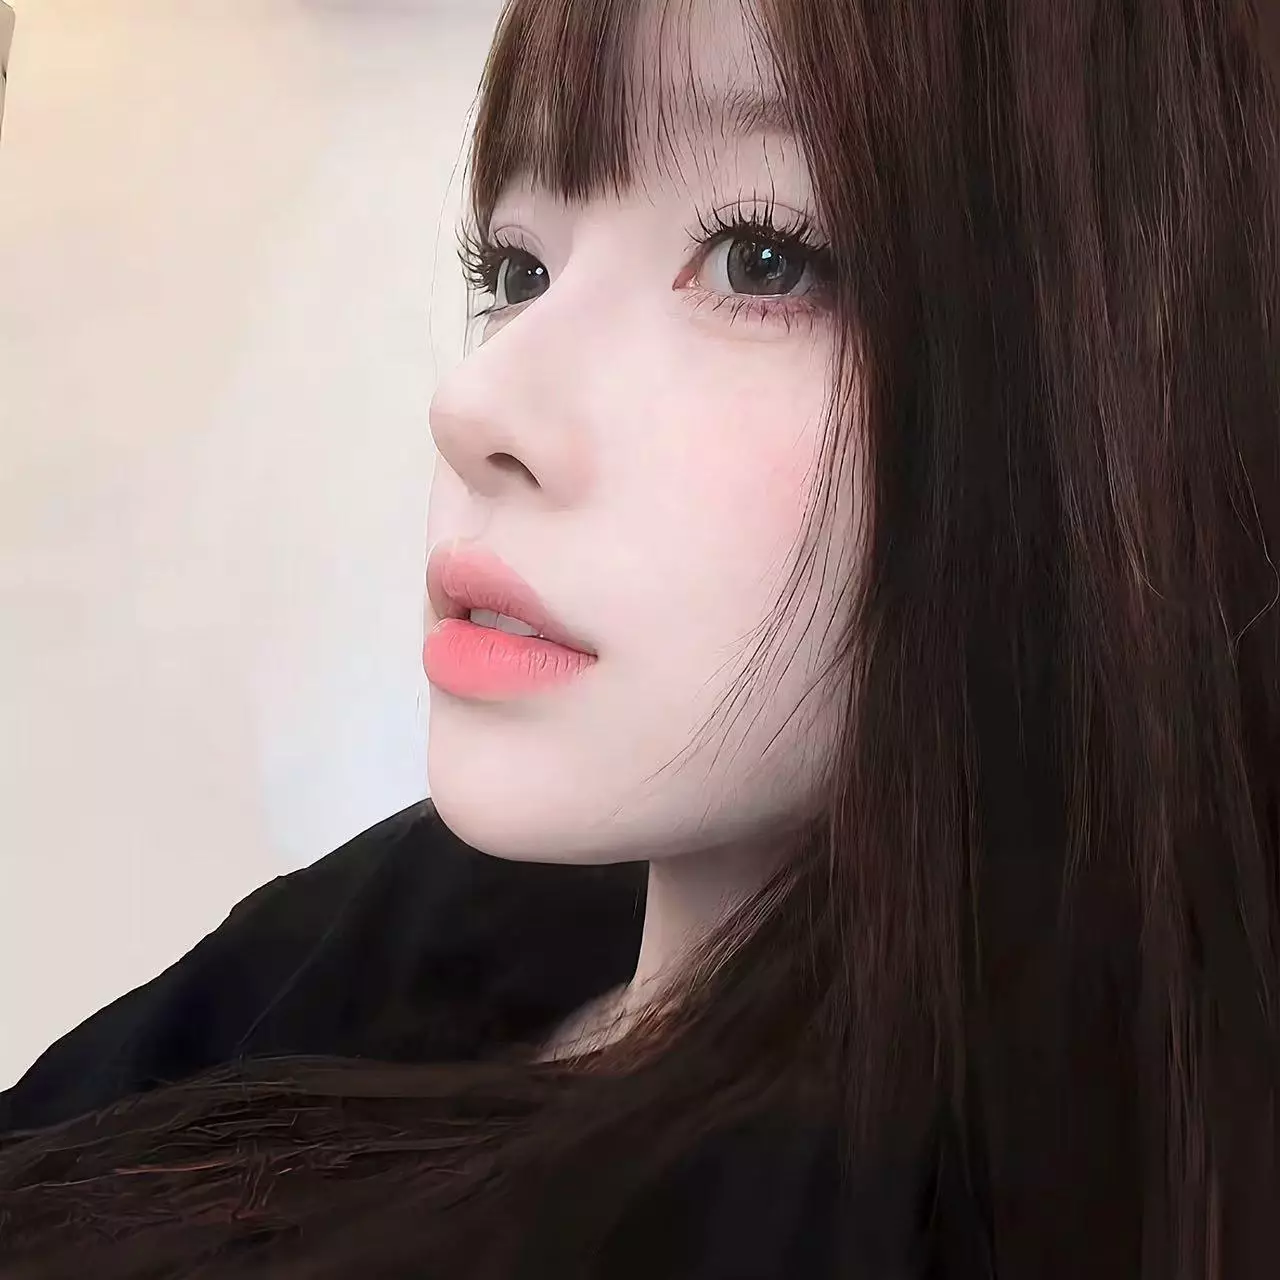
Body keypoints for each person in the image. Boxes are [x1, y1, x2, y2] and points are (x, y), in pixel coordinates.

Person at [1, 0, 1279, 1275]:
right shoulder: (408, 921)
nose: (475, 402)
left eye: (760, 260)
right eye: (516, 271)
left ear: (1121, 386)